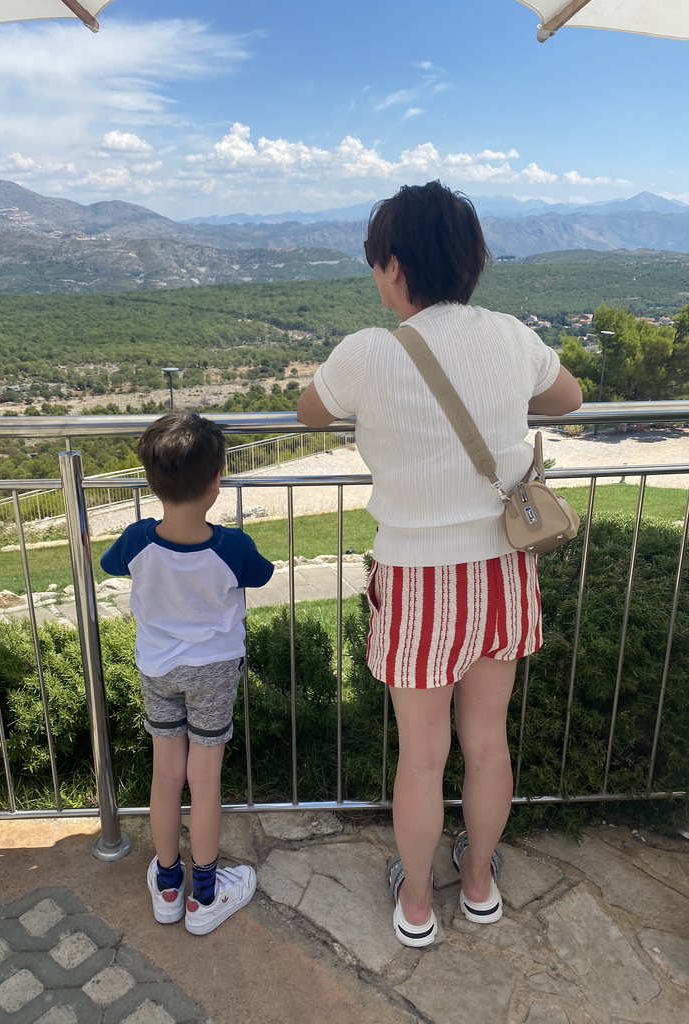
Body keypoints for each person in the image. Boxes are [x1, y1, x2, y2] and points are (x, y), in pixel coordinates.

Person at [297, 180, 582, 947]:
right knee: (488, 742)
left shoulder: (367, 352)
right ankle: (481, 884)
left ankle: (417, 904)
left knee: (423, 757)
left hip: (418, 581)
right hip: (500, 572)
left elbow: (307, 410)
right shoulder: (510, 335)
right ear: (472, 261)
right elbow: (570, 397)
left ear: (392, 266)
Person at [100, 412, 274, 935]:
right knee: (205, 779)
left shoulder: (136, 540)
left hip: (158, 669)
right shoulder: (232, 547)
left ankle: (168, 885)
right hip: (215, 672)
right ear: (217, 482)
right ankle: (204, 895)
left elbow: (112, 564)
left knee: (166, 775)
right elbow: (261, 575)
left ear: (151, 481)